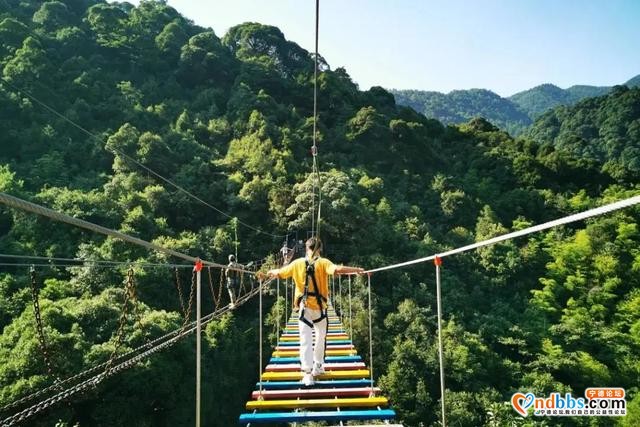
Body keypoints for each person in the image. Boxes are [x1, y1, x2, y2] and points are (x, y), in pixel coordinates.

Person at [267, 237, 364, 386]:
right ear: (320, 249)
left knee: (305, 340)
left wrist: (270, 272)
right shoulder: (324, 262)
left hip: (303, 308)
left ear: (307, 248)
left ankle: (307, 374)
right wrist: (357, 270)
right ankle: (318, 366)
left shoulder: (297, 263)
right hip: (320, 309)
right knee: (320, 338)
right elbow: (338, 269)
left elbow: (280, 273)